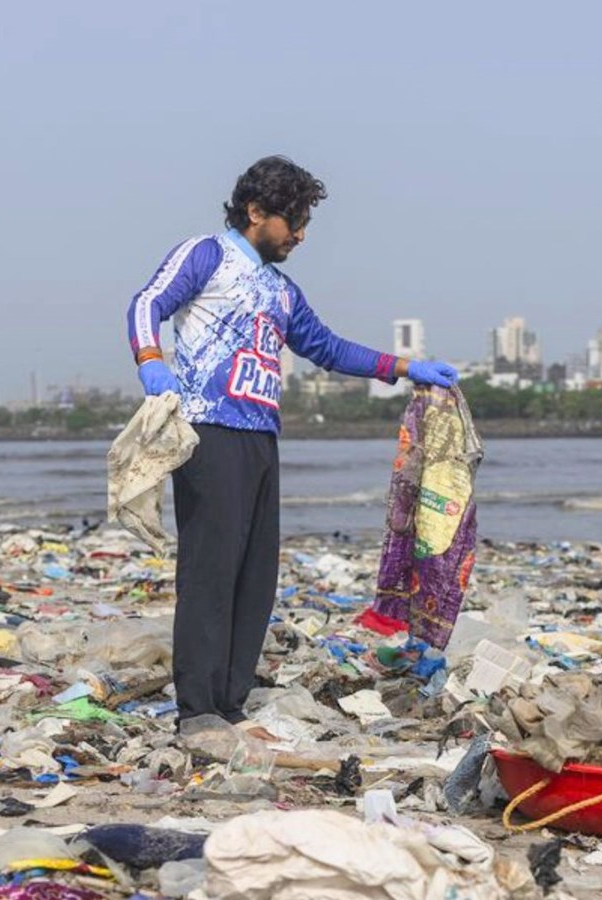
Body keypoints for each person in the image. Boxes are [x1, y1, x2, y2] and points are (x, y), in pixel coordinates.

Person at [124, 156, 458, 741]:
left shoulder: (282, 291)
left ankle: (230, 701)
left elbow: (327, 348)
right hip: (207, 431)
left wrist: (410, 368)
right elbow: (145, 304)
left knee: (254, 576)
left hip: (261, 436)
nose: (301, 234)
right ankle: (197, 707)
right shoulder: (207, 255)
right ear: (256, 212)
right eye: (294, 220)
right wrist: (151, 363)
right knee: (210, 570)